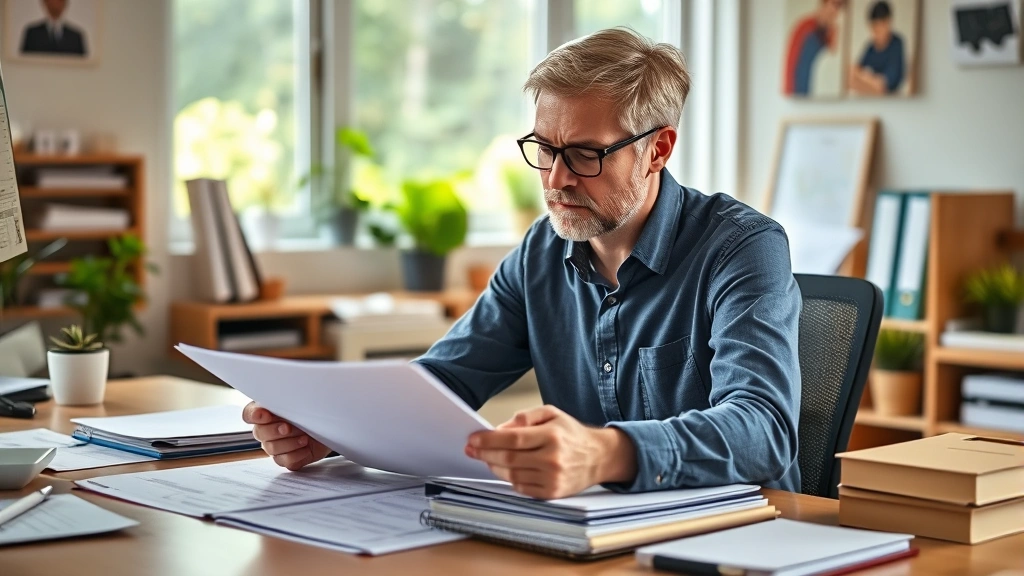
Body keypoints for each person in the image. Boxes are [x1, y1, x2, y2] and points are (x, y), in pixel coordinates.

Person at [244, 28, 802, 500]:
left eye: (585, 154)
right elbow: (443, 383)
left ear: (657, 150)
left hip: (739, 535)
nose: (556, 178)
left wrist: (608, 452)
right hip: (597, 532)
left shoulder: (743, 248)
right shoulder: (542, 251)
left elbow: (765, 428)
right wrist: (335, 429)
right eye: (544, 148)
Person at [784, 0, 845, 96]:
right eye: (834, 5)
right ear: (824, 4)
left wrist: (833, 31)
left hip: (815, 91)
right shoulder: (805, 27)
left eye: (839, 7)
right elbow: (791, 63)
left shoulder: (830, 32)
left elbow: (832, 59)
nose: (835, 10)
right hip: (797, 90)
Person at [849, 1, 905, 95]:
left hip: (892, 102)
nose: (876, 34)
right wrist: (870, 81)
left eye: (879, 28)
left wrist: (862, 77)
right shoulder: (871, 47)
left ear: (888, 22)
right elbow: (851, 77)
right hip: (871, 101)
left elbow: (883, 85)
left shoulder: (896, 44)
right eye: (874, 29)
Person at [20, 0, 87, 56]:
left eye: (59, 1)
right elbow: (24, 60)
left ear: (64, 4)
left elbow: (82, 65)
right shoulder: (32, 34)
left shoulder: (75, 36)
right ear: (45, 3)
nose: (55, 4)